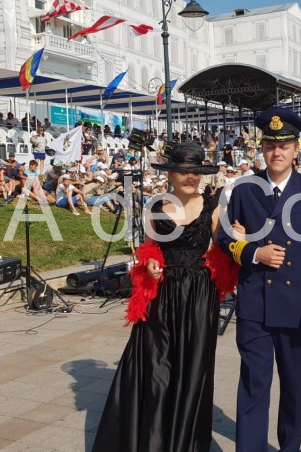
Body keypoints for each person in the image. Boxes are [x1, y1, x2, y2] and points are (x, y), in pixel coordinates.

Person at [93, 142, 231, 452]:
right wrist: (151, 262)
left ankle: (184, 442)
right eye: (183, 171)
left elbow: (223, 252)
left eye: (195, 172)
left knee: (192, 369)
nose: (189, 177)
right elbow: (148, 249)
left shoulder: (213, 208)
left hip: (198, 295)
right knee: (156, 367)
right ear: (170, 173)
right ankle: (153, 440)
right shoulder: (154, 206)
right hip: (163, 294)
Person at [217, 107, 301, 452]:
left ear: (296, 149)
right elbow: (224, 238)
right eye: (270, 145)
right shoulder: (244, 189)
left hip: (298, 306)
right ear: (262, 148)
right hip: (255, 303)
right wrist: (254, 251)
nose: (277, 152)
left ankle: (290, 447)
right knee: (254, 384)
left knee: (295, 385)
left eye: (284, 145)